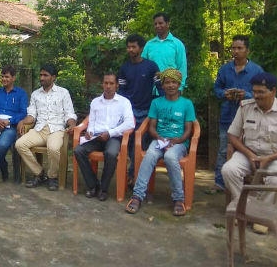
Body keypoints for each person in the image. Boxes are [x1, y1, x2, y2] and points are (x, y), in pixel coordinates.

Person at [125, 69, 196, 217]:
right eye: (167, 82)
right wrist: (159, 138)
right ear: (162, 85)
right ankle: (137, 196)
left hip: (178, 143)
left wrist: (177, 141)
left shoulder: (187, 104)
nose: (171, 85)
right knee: (150, 155)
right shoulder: (156, 103)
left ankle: (178, 199)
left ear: (179, 84)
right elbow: (151, 127)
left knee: (170, 157)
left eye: (174, 82)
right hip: (159, 140)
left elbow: (189, 130)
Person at [222, 72, 277, 208]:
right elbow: (232, 135)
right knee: (228, 170)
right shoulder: (245, 107)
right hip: (248, 155)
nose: (256, 96)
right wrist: (250, 155)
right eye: (254, 91)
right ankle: (243, 206)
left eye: (261, 92)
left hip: (275, 158)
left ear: (273, 91)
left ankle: (262, 209)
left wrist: (269, 158)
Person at [211, 35, 264, 194]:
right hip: (228, 115)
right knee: (223, 149)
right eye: (233, 48)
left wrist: (246, 95)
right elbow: (216, 89)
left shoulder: (256, 70)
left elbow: (263, 93)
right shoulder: (225, 69)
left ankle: (250, 184)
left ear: (247, 50)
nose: (236, 51)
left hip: (250, 118)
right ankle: (219, 183)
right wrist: (224, 93)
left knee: (250, 148)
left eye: (239, 48)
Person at [15, 64, 77, 191]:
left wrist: (72, 124)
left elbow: (69, 114)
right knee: (19, 144)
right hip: (39, 130)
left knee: (53, 148)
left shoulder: (63, 93)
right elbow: (32, 116)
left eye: (45, 75)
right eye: (41, 75)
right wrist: (22, 121)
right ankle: (39, 173)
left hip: (56, 130)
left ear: (53, 77)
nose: (42, 78)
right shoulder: (35, 94)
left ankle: (52, 177)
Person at [74, 73, 134, 201]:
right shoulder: (96, 102)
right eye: (106, 83)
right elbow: (92, 121)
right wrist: (89, 131)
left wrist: (110, 133)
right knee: (78, 150)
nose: (108, 86)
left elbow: (130, 123)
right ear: (102, 84)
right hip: (96, 137)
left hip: (114, 137)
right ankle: (93, 185)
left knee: (111, 153)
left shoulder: (124, 102)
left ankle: (103, 189)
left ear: (117, 85)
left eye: (111, 83)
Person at [117, 34, 160, 184]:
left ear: (141, 48)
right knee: (128, 143)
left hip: (147, 112)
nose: (130, 49)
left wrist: (161, 108)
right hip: (130, 112)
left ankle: (135, 177)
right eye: (128, 47)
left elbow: (160, 87)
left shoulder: (151, 66)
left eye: (133, 47)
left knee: (140, 144)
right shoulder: (124, 68)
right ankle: (131, 175)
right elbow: (121, 92)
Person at [141, 12, 187, 94]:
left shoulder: (177, 44)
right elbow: (143, 66)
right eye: (155, 24)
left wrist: (180, 88)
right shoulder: (149, 45)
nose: (157, 26)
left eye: (160, 23)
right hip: (151, 90)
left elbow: (182, 67)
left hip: (171, 90)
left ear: (168, 24)